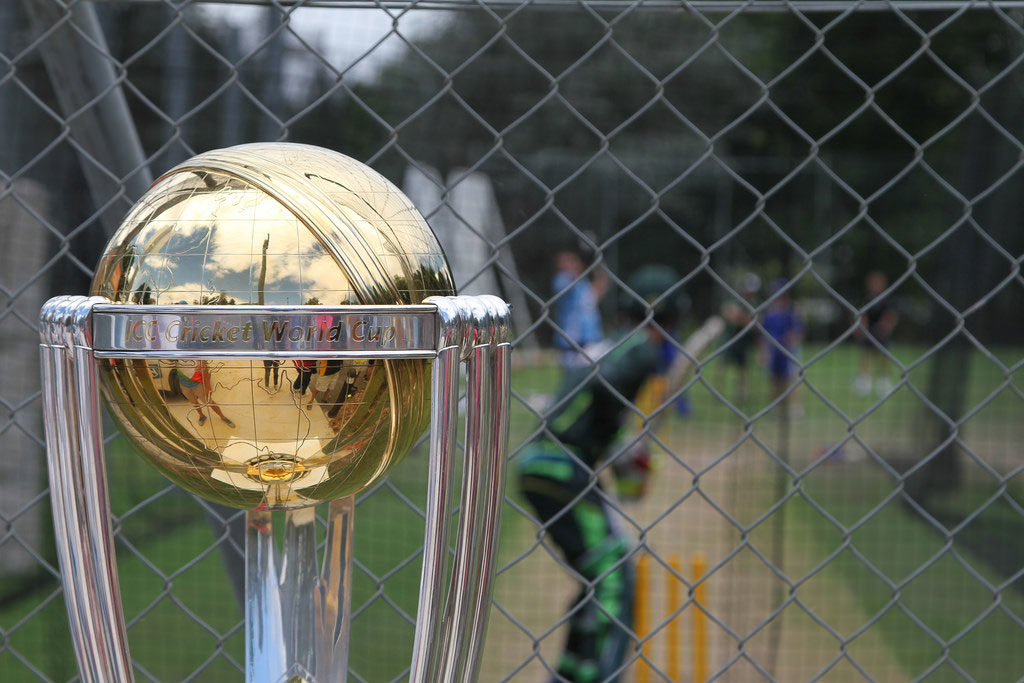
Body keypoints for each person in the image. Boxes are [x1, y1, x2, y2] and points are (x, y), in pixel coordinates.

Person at [518, 265, 684, 683]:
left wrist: (615, 443)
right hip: (563, 465)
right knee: (613, 573)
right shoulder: (643, 348)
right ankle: (601, 675)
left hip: (544, 462)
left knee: (597, 574)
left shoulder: (613, 343)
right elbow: (605, 386)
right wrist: (622, 445)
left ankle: (573, 672)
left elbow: (592, 398)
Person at [552, 250, 608, 369]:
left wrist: (599, 269)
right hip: (571, 344)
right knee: (574, 376)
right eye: (568, 262)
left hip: (591, 341)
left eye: (573, 261)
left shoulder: (583, 283)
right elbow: (570, 279)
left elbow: (595, 295)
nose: (573, 264)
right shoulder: (561, 280)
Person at [761, 278, 804, 415]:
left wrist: (792, 341)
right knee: (775, 381)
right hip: (773, 350)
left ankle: (795, 408)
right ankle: (776, 408)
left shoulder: (792, 311)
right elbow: (764, 334)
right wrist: (764, 352)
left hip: (789, 349)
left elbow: (798, 331)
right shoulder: (769, 312)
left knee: (792, 379)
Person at [854, 270, 899, 396]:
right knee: (866, 354)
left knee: (884, 356)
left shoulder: (887, 298)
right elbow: (862, 315)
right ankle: (864, 381)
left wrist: (885, 327)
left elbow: (891, 315)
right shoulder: (867, 298)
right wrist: (861, 328)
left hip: (882, 331)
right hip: (868, 331)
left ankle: (884, 380)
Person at [718, 272, 761, 404]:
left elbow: (757, 324)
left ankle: (742, 396)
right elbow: (729, 314)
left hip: (744, 341)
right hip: (730, 338)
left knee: (743, 369)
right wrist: (746, 319)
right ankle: (717, 393)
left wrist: (741, 318)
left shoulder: (755, 303)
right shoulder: (735, 298)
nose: (750, 294)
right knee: (722, 366)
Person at [176, 360, 235, 428]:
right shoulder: (177, 356)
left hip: (197, 385)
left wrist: (208, 387)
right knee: (193, 402)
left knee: (209, 402)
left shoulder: (198, 358)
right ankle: (202, 416)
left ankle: (222, 417)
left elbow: (206, 373)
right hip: (184, 385)